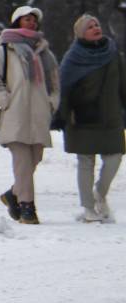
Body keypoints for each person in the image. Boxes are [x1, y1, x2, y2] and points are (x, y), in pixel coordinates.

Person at [0, 5, 59, 224]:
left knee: (35, 159)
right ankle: (28, 208)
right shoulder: (4, 50)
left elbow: (54, 83)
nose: (31, 23)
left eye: (34, 20)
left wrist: (51, 103)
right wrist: (4, 100)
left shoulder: (45, 53)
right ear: (17, 22)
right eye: (26, 19)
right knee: (23, 163)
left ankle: (12, 194)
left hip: (39, 116)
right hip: (15, 114)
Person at [54, 14, 126, 223]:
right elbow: (64, 88)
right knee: (86, 161)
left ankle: (100, 193)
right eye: (90, 27)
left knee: (115, 156)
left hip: (110, 117)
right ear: (80, 33)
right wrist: (62, 115)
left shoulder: (114, 54)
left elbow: (123, 84)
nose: (96, 28)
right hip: (82, 118)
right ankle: (88, 207)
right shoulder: (72, 57)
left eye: (97, 25)